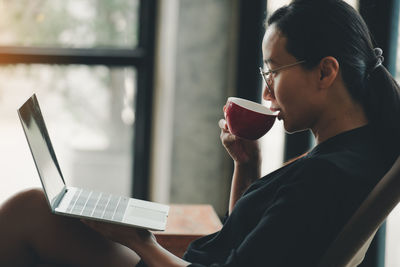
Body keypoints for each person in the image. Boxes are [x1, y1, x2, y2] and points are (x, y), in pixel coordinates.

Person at [1, 0, 399, 266]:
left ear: (326, 72)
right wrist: (248, 164)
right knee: (36, 209)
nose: (264, 92)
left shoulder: (325, 177)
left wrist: (140, 242)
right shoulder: (352, 154)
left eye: (273, 72)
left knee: (28, 211)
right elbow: (247, 240)